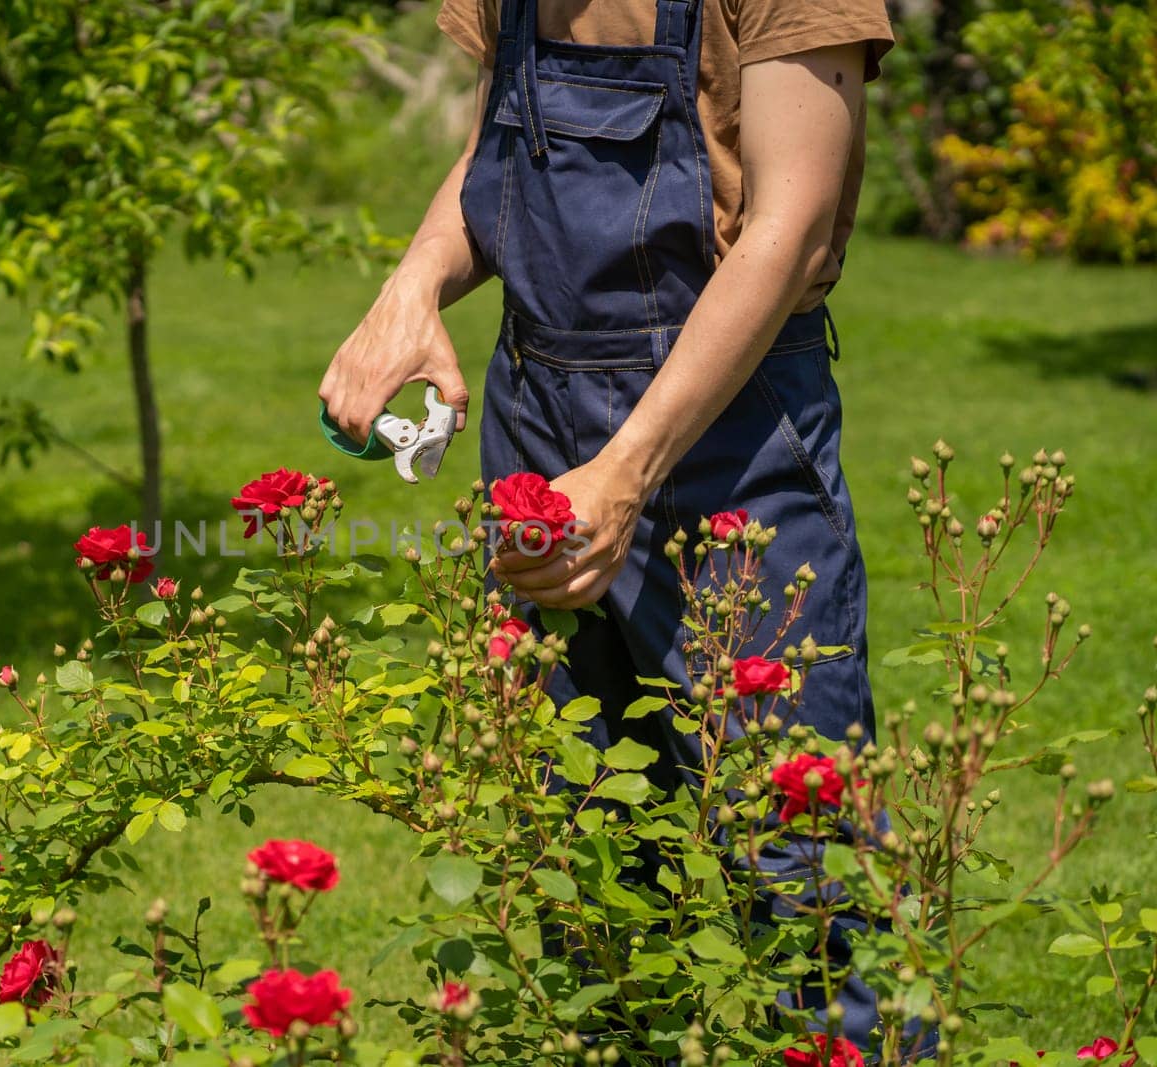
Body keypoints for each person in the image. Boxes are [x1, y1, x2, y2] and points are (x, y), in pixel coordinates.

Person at [319, 0, 898, 1050]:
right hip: (536, 418)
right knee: (583, 860)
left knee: (801, 868)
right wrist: (411, 287)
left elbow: (789, 223)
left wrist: (625, 469)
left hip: (735, 443)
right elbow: (498, 157)